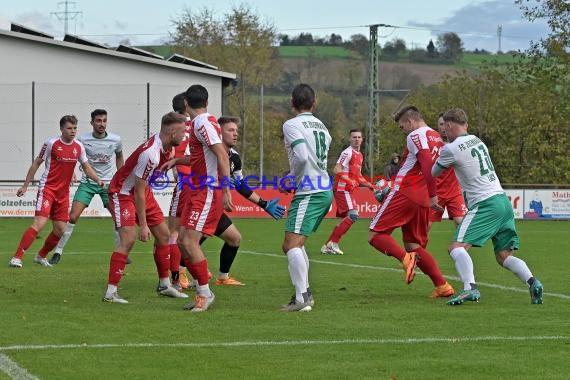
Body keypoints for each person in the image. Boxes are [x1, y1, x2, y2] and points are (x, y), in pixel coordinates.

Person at [432, 108, 543, 305]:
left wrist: (438, 151)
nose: (444, 132)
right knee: (503, 256)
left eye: (444, 128)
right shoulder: (477, 140)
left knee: (456, 248)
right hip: (502, 201)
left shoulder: (450, 148)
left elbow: (434, 172)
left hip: (485, 204)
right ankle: (533, 282)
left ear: (449, 125)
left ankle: (470, 289)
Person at [186, 116, 287, 287]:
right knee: (190, 241)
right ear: (219, 132)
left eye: (236, 131)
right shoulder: (210, 152)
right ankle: (180, 275)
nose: (235, 134)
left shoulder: (234, 157)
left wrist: (264, 204)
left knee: (234, 239)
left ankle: (222, 277)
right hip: (202, 201)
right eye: (230, 130)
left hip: (215, 206)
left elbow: (240, 185)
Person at [368, 105, 455, 298]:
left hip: (405, 192)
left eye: (402, 127)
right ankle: (442, 286)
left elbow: (426, 162)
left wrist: (433, 195)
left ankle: (406, 260)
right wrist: (431, 194)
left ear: (410, 121)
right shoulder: (438, 139)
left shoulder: (415, 136)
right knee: (414, 245)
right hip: (422, 198)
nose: (403, 131)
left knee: (375, 234)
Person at [102, 112, 189, 304]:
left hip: (142, 192)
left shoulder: (167, 148)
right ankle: (111, 292)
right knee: (129, 239)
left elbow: (143, 189)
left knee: (164, 236)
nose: (184, 136)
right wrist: (143, 225)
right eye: (182, 132)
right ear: (173, 131)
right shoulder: (151, 154)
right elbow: (138, 192)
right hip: (123, 193)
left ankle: (164, 285)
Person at [165, 84, 234, 312]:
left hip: (207, 190)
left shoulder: (202, 123)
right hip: (198, 189)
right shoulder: (203, 122)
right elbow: (201, 157)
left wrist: (225, 191)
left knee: (188, 242)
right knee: (184, 241)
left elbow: (222, 154)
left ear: (186, 103)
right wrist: (177, 161)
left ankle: (204, 293)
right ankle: (201, 289)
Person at [9, 115, 103, 268]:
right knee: (39, 224)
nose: (72, 131)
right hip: (48, 189)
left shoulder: (78, 146)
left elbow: (86, 167)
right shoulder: (51, 143)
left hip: (63, 193)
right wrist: (25, 185)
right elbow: (36, 163)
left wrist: (97, 179)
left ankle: (40, 256)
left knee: (60, 229)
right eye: (69, 128)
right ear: (61, 129)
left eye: (74, 128)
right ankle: (17, 257)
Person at [279, 83, 333, 312]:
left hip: (310, 190)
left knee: (290, 245)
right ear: (315, 103)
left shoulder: (292, 124)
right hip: (323, 188)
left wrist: (292, 177)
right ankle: (304, 293)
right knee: (297, 244)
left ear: (292, 103)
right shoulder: (322, 127)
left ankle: (302, 297)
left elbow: (301, 156)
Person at [49, 109, 124, 265]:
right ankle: (58, 251)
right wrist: (71, 173)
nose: (102, 124)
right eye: (98, 121)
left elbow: (119, 156)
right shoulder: (82, 139)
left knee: (118, 219)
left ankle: (120, 252)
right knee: (72, 217)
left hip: (108, 184)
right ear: (92, 123)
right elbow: (73, 155)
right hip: (87, 183)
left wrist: (120, 176)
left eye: (104, 120)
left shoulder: (116, 140)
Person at [321, 129, 373, 255]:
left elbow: (358, 175)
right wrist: (349, 180)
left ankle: (327, 246)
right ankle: (333, 243)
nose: (356, 139)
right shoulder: (347, 153)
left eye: (359, 137)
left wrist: (369, 184)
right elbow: (336, 169)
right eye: (354, 137)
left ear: (362, 139)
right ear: (350, 139)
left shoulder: (359, 155)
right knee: (353, 215)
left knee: (345, 219)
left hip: (347, 189)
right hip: (342, 188)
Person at [166, 93, 193, 290]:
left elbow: (170, 153)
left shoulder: (174, 128)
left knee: (173, 232)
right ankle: (190, 269)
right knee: (192, 229)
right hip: (204, 182)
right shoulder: (200, 124)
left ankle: (177, 277)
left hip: (185, 181)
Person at [428, 112, 467, 231]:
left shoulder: (458, 144)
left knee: (461, 224)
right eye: (441, 124)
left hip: (454, 191)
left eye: (446, 124)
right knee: (425, 226)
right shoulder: (432, 144)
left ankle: (460, 249)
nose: (444, 127)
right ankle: (415, 250)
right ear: (437, 126)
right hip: (436, 191)